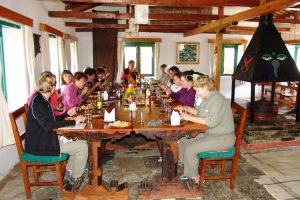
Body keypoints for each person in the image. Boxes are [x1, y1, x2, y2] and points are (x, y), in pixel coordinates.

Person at [25, 73, 88, 191]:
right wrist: (74, 122)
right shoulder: (39, 102)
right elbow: (49, 125)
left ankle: (69, 177)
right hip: (40, 144)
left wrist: (66, 114)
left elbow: (51, 120)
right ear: (53, 88)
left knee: (80, 141)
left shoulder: (41, 98)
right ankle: (75, 180)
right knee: (82, 147)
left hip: (44, 138)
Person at [178, 76, 235, 184]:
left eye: (198, 91)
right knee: (184, 139)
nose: (197, 94)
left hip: (223, 138)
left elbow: (212, 122)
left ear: (205, 87)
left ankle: (194, 179)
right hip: (211, 134)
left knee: (191, 149)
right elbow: (200, 112)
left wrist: (188, 117)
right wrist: (187, 108)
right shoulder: (208, 98)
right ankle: (186, 167)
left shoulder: (218, 100)